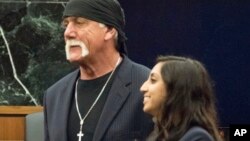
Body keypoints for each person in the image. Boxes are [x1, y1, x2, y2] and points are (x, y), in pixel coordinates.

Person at [43, 0, 153, 140]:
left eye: (80, 22)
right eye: (66, 24)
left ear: (109, 30)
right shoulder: (54, 95)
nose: (68, 32)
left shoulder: (146, 86)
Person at [140, 55, 223, 141]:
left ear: (176, 90)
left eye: (153, 80)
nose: (142, 88)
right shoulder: (159, 135)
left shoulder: (198, 137)